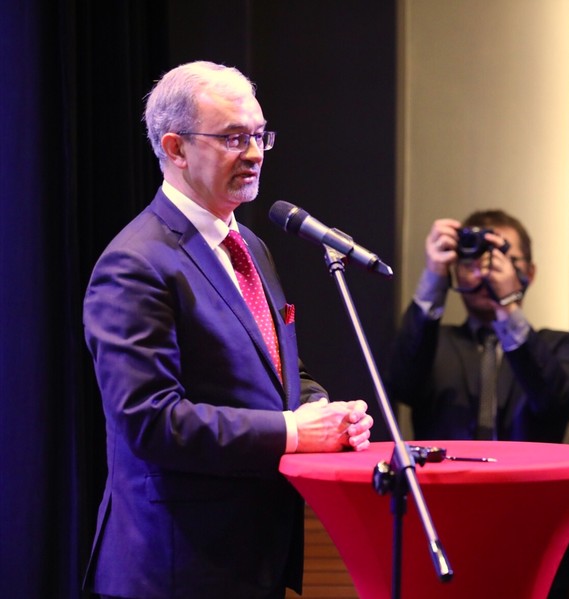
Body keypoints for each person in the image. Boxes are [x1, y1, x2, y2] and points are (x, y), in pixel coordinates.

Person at [82, 61, 374, 599]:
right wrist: (293, 432)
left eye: (260, 135)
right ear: (175, 148)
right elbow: (149, 420)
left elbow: (279, 371)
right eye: (234, 138)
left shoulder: (249, 246)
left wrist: (325, 412)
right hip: (176, 567)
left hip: (251, 558)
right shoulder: (135, 263)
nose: (256, 153)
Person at [387, 209, 569, 443]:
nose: (485, 271)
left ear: (530, 272)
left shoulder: (564, 346)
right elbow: (401, 386)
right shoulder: (434, 343)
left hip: (528, 468)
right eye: (472, 260)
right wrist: (434, 276)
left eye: (503, 258)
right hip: (446, 468)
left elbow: (558, 405)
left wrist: (506, 305)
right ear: (455, 270)